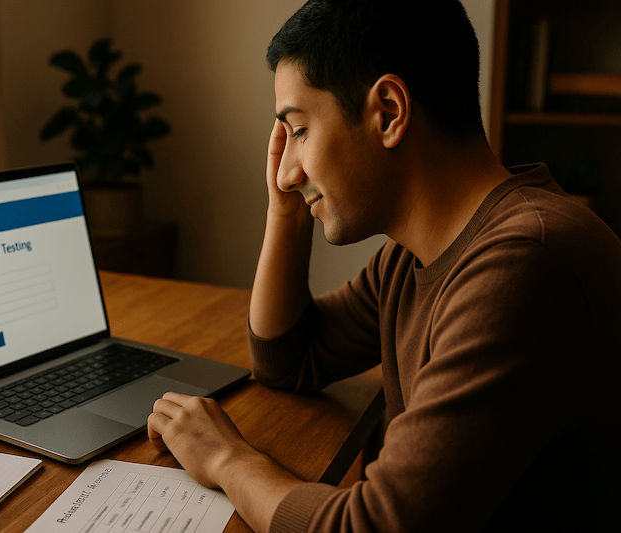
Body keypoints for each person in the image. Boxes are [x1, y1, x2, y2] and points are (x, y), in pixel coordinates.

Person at [147, 0, 621, 531]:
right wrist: (285, 211)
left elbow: (374, 527)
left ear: (389, 112)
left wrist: (224, 459)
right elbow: (288, 357)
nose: (286, 170)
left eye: (298, 130)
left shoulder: (524, 263)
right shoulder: (417, 255)